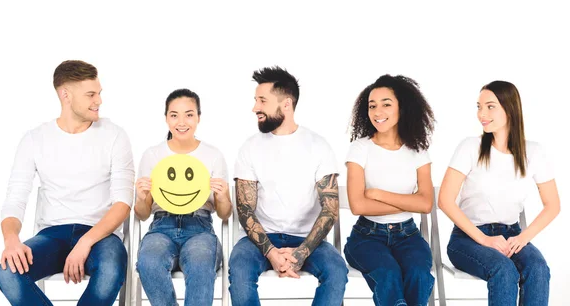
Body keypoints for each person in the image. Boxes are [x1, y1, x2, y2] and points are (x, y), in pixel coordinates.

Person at [0, 60, 135, 306]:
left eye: (99, 93)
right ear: (65, 95)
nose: (99, 101)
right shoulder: (34, 139)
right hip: (52, 235)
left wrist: (85, 242)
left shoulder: (114, 136)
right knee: (7, 273)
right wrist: (11, 241)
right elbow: (15, 200)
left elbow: (123, 204)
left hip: (101, 236)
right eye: (91, 94)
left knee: (111, 270)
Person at [228, 66, 348, 306]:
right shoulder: (249, 147)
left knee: (336, 271)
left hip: (307, 239)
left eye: (262, 100)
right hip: (259, 239)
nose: (255, 108)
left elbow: (329, 210)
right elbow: (245, 210)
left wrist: (300, 254)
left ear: (286, 104)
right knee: (239, 271)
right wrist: (271, 253)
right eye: (255, 100)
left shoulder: (318, 146)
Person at [439, 80, 560, 306]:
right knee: (504, 270)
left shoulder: (533, 152)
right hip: (468, 238)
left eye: (490, 106)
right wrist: (484, 239)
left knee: (538, 268)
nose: (481, 113)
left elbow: (553, 205)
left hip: (511, 236)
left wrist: (523, 237)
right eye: (478, 106)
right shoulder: (470, 147)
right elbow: (445, 200)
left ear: (510, 108)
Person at [343, 74, 436, 306]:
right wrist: (408, 201)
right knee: (388, 273)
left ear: (402, 108)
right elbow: (358, 205)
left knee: (420, 275)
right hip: (366, 237)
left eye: (386, 104)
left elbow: (425, 204)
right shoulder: (360, 148)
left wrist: (378, 194)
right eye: (372, 106)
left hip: (408, 236)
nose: (377, 112)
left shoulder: (418, 151)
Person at [134, 88, 232, 306]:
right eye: (174, 115)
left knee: (200, 263)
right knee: (149, 262)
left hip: (200, 226)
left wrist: (224, 196)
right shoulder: (152, 155)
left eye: (189, 114)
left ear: (198, 117)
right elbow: (141, 214)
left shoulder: (213, 155)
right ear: (166, 118)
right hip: (161, 225)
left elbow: (225, 214)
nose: (182, 122)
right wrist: (141, 198)